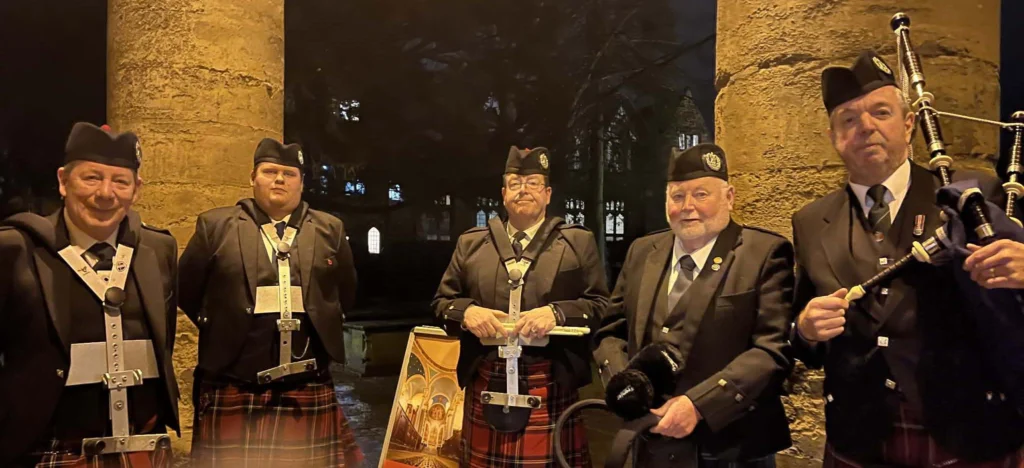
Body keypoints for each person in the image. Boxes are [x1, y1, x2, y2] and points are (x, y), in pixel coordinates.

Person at [791, 51, 1024, 467]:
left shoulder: (974, 197)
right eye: (848, 119)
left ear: (910, 123)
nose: (865, 127)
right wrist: (806, 329)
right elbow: (802, 334)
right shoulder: (810, 221)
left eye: (881, 112)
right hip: (857, 434)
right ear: (833, 137)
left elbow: (1010, 310)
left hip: (965, 430)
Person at [594, 143, 794, 467]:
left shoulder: (764, 253)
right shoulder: (643, 251)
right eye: (677, 196)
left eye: (701, 194)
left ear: (729, 197)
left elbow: (771, 351)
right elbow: (610, 331)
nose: (688, 206)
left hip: (731, 448)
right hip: (651, 443)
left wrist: (699, 405)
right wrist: (626, 385)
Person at [0, 122, 180, 467]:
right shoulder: (13, 248)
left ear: (136, 189)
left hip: (144, 445)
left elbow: (165, 336)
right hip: (49, 448)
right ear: (63, 182)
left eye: (120, 181)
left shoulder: (159, 248)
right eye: (92, 178)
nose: (106, 193)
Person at [179, 138, 363, 467]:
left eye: (289, 173)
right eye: (269, 171)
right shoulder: (216, 226)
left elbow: (345, 291)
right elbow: (186, 290)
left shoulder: (329, 228)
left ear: (301, 182)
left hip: (306, 381)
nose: (279, 179)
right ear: (253, 177)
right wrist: (221, 325)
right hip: (234, 380)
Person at [432, 145, 609, 467]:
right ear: (503, 194)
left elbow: (600, 305)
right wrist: (468, 312)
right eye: (515, 183)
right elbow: (442, 302)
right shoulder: (471, 243)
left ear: (548, 193)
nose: (523, 190)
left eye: (533, 183)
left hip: (550, 381)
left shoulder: (576, 241)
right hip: (487, 375)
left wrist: (556, 313)